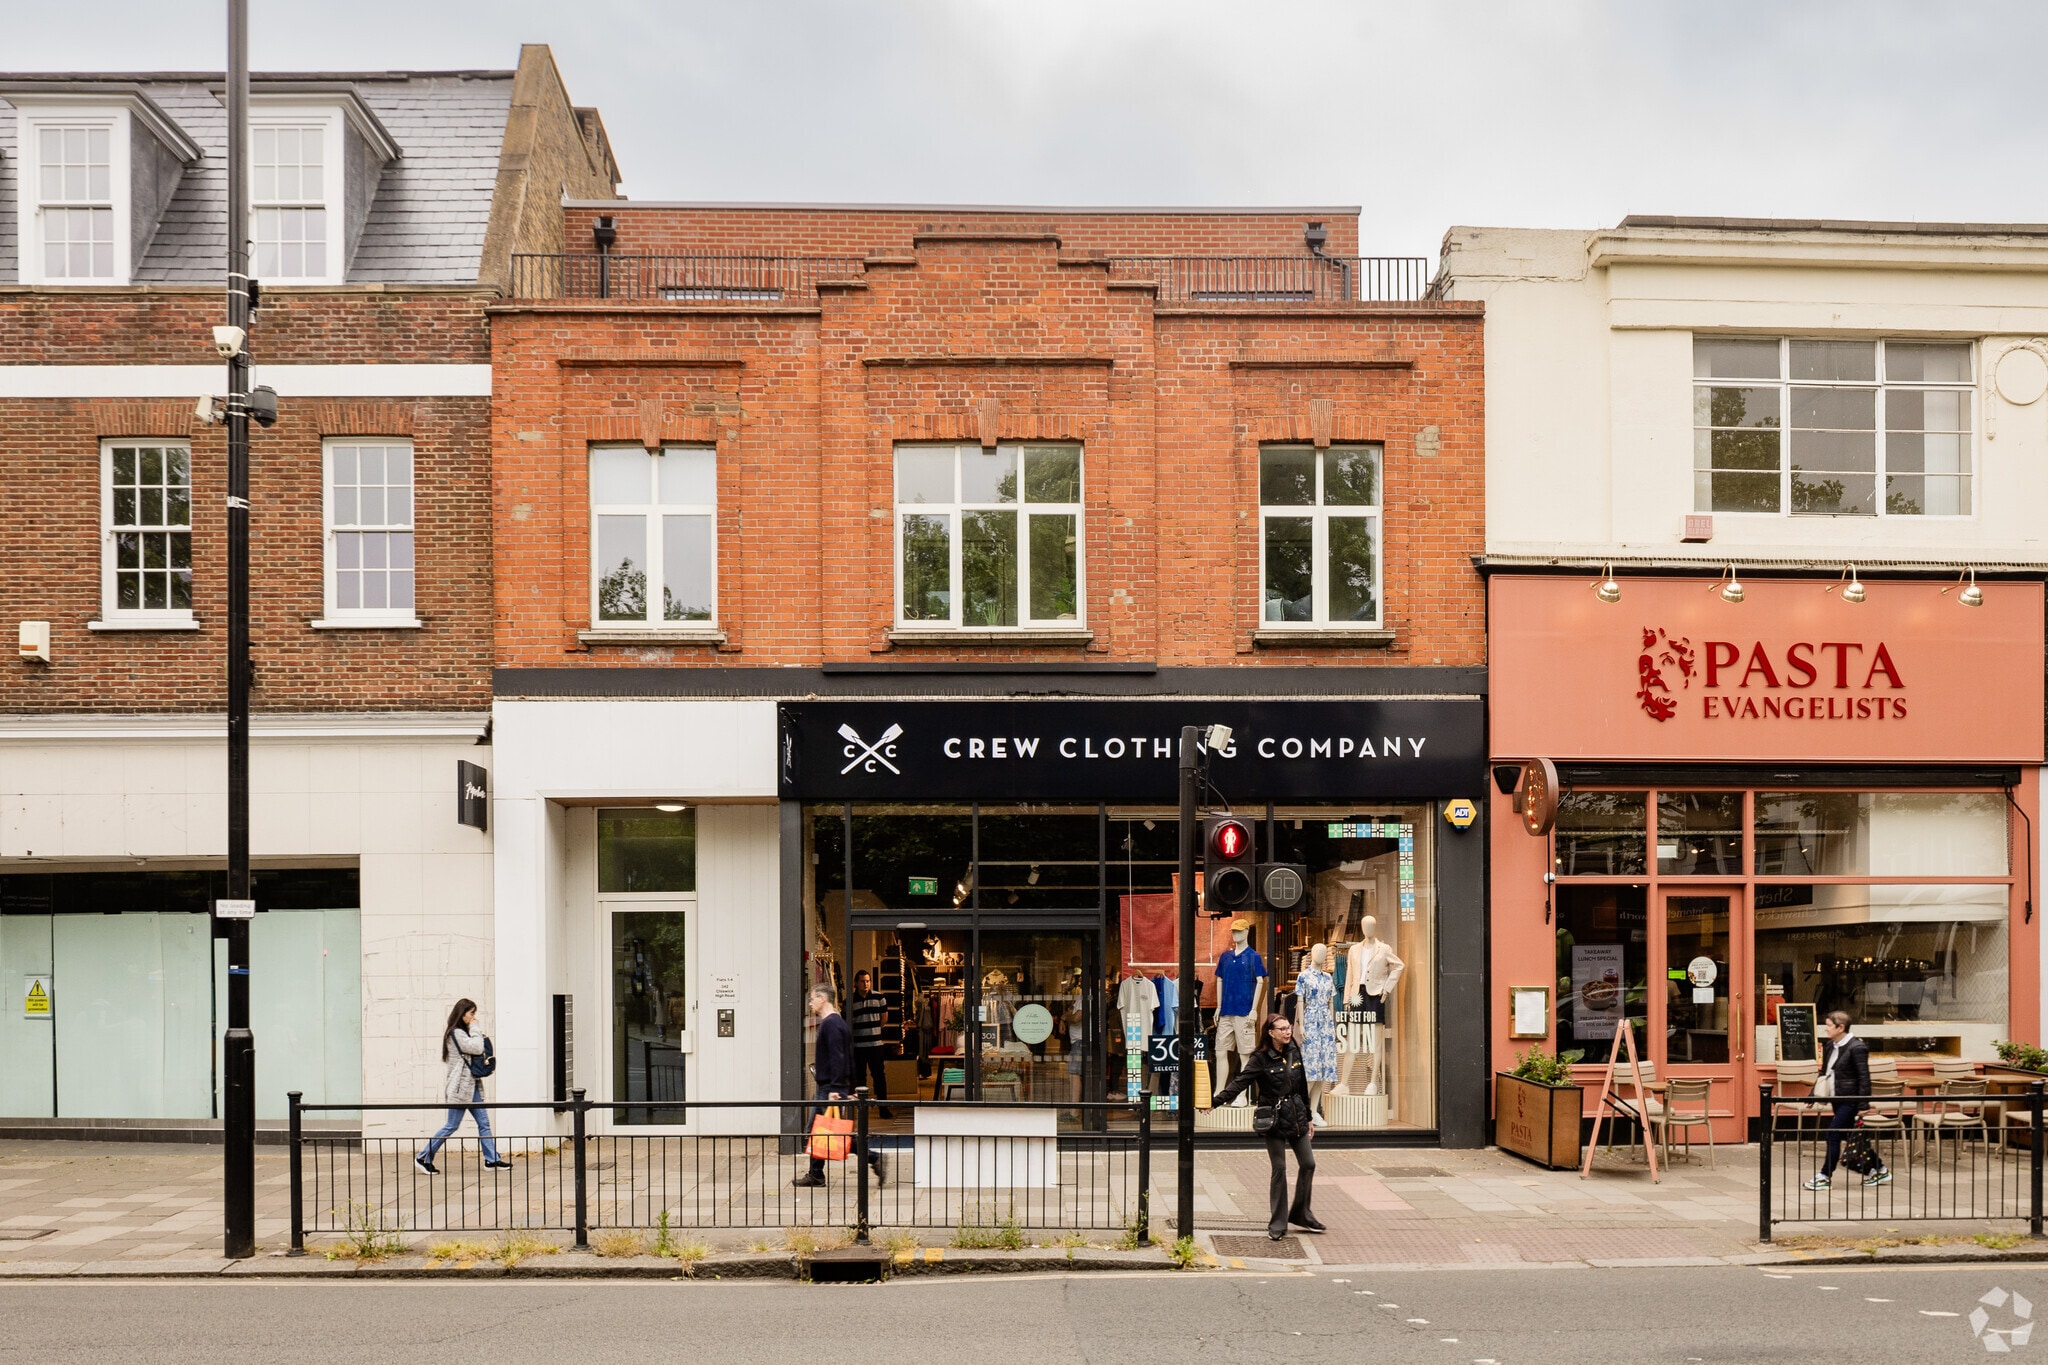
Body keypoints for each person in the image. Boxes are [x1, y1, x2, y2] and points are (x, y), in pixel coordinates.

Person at [1209, 1012, 1323, 1240]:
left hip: (1298, 1116)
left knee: (1308, 1164)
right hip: (1274, 1120)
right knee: (1279, 1169)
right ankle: (1278, 1223)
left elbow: (1301, 1087)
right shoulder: (1260, 1059)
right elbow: (1240, 1082)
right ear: (1270, 1033)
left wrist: (1310, 1117)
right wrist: (1215, 1102)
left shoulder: (1294, 1050)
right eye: (1281, 1029)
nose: (1287, 1031)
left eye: (1288, 1027)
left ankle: (1302, 1213)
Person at [793, 984, 886, 1187]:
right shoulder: (837, 1023)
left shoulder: (831, 1024)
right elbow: (847, 1058)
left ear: (822, 999)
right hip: (832, 1086)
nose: (810, 1002)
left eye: (812, 998)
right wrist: (848, 1088)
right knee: (819, 1129)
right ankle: (816, 1173)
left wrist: (836, 1088)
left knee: (824, 1130)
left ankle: (872, 1157)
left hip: (829, 1088)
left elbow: (838, 1057)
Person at [416, 998, 510, 1174]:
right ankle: (423, 1157)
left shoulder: (461, 1032)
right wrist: (475, 1028)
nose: (474, 1017)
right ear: (462, 1014)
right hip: (460, 1088)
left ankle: (492, 1160)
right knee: (451, 1125)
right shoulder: (456, 1033)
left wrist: (473, 1028)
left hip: (471, 1085)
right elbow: (475, 1047)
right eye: (471, 1013)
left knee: (484, 1123)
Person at [1803, 1009, 1891, 1190]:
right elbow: (1824, 1072)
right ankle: (1880, 1169)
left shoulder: (1857, 1047)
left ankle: (1825, 1175)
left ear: (1840, 1027)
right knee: (1852, 1136)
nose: (1825, 1029)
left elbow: (1863, 1077)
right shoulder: (1830, 1046)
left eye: (1828, 1026)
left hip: (1850, 1100)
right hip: (1837, 1098)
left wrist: (1863, 1104)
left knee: (1832, 1135)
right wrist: (1813, 1094)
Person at [848, 969, 894, 1119]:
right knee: (860, 1079)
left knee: (879, 1077)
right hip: (859, 1047)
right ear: (856, 983)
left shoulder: (879, 997)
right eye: (862, 981)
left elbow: (884, 1018)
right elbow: (847, 1022)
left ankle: (883, 1108)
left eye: (868, 981)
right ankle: (863, 1111)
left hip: (875, 1045)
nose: (866, 984)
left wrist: (874, 1030)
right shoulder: (850, 1000)